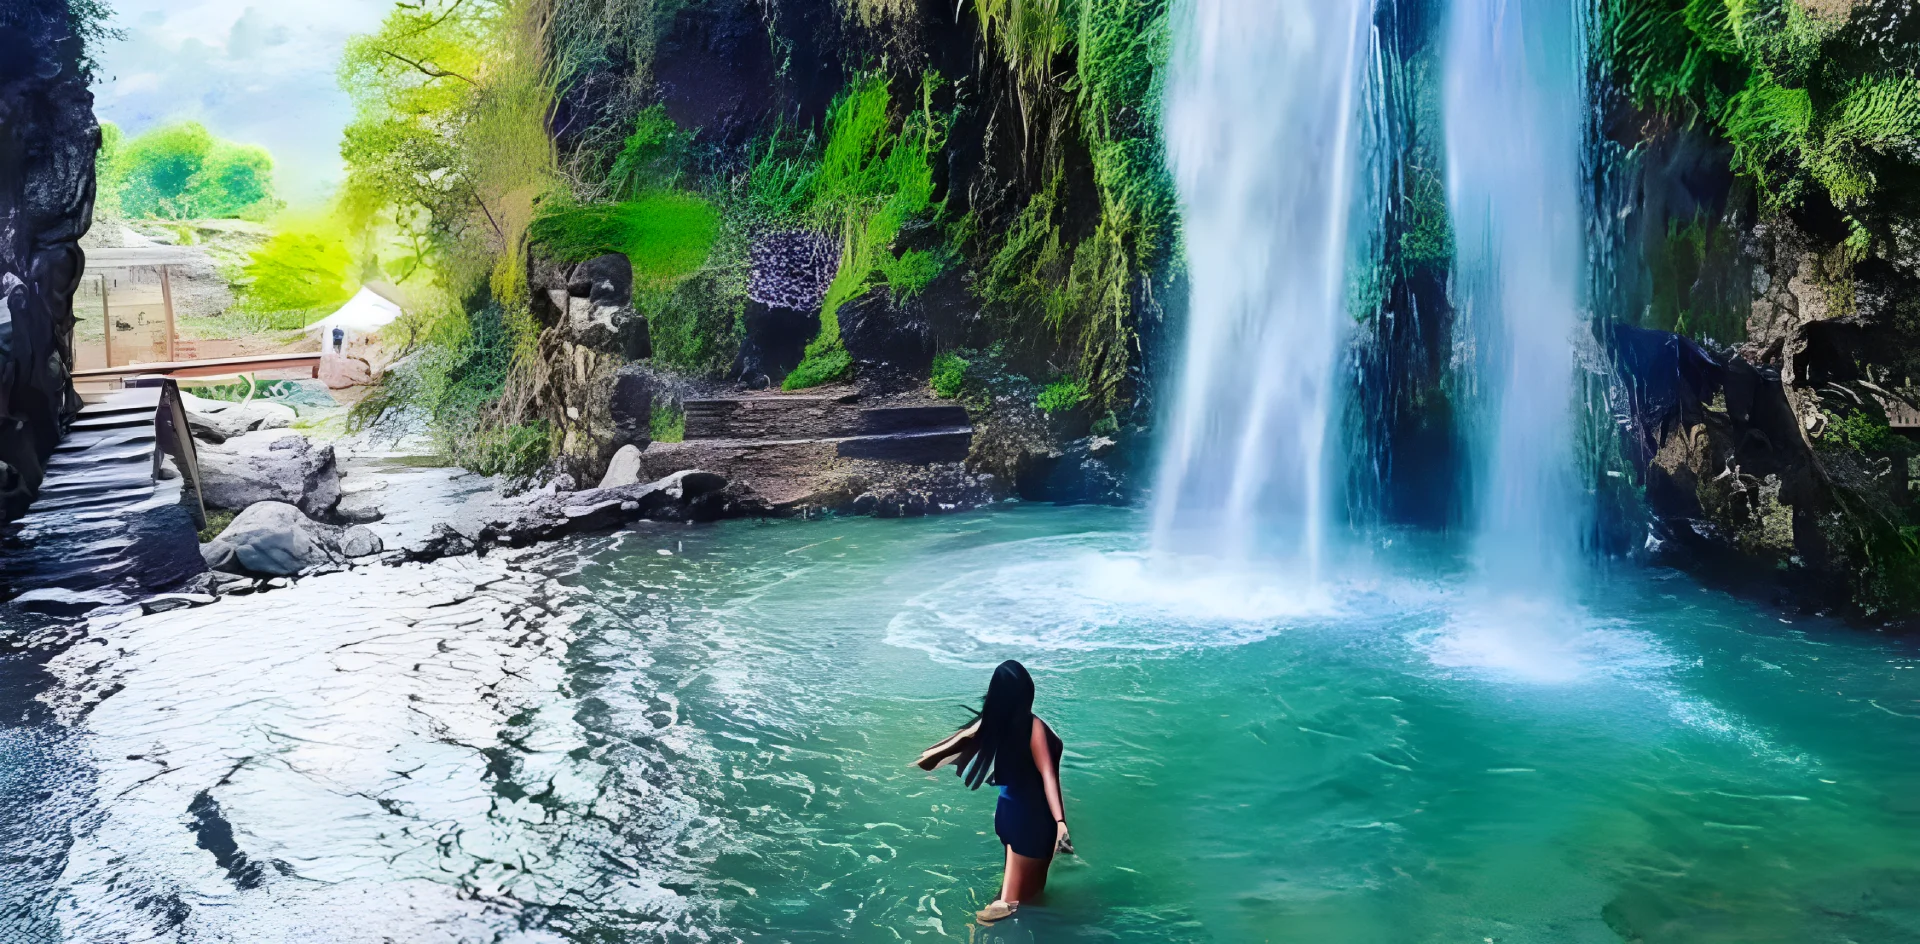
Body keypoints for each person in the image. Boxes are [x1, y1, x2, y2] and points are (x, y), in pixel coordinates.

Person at [914, 660, 1071, 924]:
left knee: (1014, 890)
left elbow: (930, 758)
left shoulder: (992, 724)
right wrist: (1060, 822)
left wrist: (931, 757)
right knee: (1020, 901)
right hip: (1033, 818)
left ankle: (991, 921)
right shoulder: (1034, 727)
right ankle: (986, 927)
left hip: (1008, 814)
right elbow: (1048, 776)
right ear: (1027, 691)